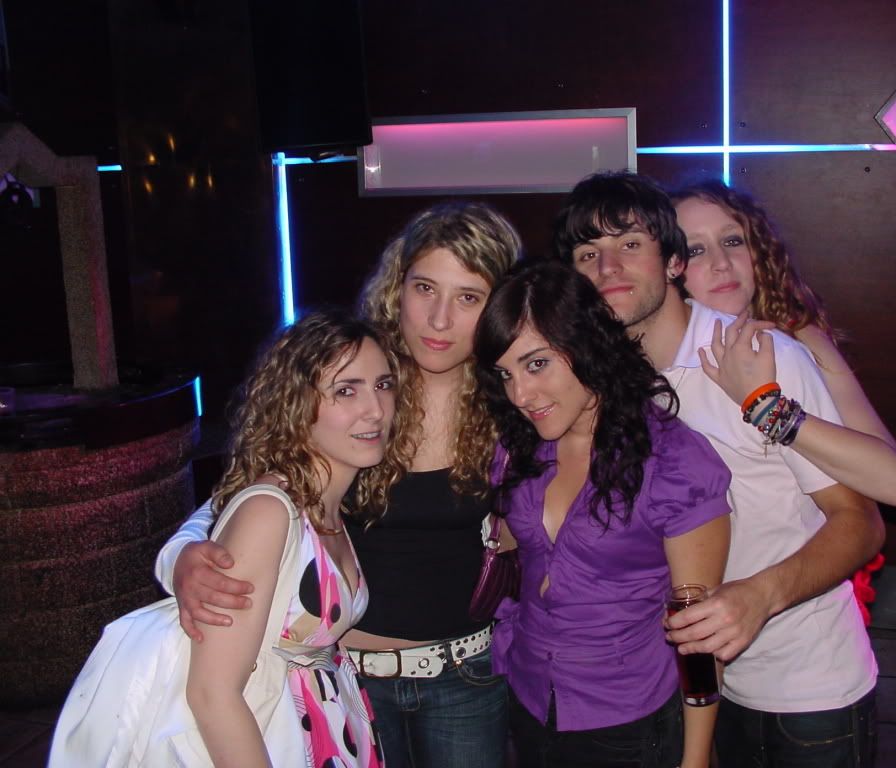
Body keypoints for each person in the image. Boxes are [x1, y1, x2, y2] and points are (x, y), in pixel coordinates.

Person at [154, 202, 521, 768]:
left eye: (468, 297)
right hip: (346, 677)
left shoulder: (513, 402)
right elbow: (249, 494)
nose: (439, 319)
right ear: (398, 287)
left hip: (465, 676)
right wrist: (179, 557)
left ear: (497, 308)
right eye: (425, 288)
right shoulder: (356, 384)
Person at [553, 171, 884, 766]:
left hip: (803, 690)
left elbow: (860, 520)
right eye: (588, 253)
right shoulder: (606, 384)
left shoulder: (758, 358)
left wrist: (760, 595)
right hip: (685, 689)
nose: (608, 267)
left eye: (629, 244)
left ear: (672, 261)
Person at [51, 311, 394, 767]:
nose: (376, 409)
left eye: (383, 385)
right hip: (270, 740)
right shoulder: (271, 512)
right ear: (295, 404)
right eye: (346, 390)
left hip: (323, 730)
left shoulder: (326, 504)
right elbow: (213, 694)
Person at [474, 261, 732, 768]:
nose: (520, 395)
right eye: (506, 374)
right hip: (528, 697)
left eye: (536, 364)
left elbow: (699, 634)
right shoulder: (519, 446)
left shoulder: (674, 461)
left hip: (626, 717)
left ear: (587, 345)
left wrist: (696, 758)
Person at [670, 179, 896, 510]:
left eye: (732, 241)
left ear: (757, 252)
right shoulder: (656, 358)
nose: (722, 262)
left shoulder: (797, 336)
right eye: (695, 250)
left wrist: (764, 407)